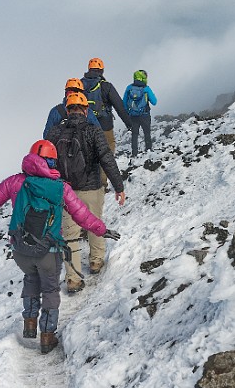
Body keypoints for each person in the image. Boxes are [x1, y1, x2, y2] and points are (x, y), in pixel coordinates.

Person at [0, 140, 121, 354]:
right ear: (52, 161)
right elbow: (81, 214)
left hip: (20, 249)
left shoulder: (15, 182)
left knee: (30, 278)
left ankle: (29, 323)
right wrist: (101, 230)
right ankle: (47, 335)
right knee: (50, 289)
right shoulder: (60, 188)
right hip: (48, 251)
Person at [46, 91, 126, 293]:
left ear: (67, 109)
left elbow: (45, 164)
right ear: (86, 109)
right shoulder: (93, 130)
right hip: (91, 188)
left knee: (70, 236)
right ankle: (96, 261)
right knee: (94, 223)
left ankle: (73, 279)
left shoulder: (54, 133)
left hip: (65, 193)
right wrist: (119, 186)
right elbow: (106, 159)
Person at [81, 58, 130, 187]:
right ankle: (101, 182)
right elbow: (120, 106)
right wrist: (129, 124)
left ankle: (86, 180)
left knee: (87, 153)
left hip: (85, 126)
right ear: (101, 70)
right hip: (105, 126)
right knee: (105, 153)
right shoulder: (106, 86)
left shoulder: (79, 86)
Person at [122, 69, 157, 157]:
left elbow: (124, 103)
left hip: (133, 115)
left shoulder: (129, 88)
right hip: (145, 114)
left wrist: (128, 112)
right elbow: (154, 102)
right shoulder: (146, 89)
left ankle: (134, 153)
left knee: (134, 135)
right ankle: (148, 150)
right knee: (147, 133)